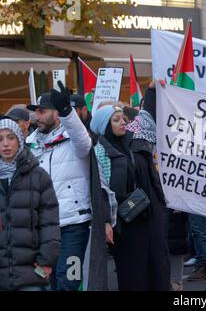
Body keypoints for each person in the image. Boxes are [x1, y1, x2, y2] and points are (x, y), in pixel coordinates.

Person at [90, 101, 171, 291]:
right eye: (116, 120)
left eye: (123, 119)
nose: (122, 123)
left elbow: (149, 117)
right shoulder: (99, 152)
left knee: (158, 267)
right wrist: (106, 221)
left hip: (150, 217)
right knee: (133, 273)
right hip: (125, 224)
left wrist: (152, 93)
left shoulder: (135, 141)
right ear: (104, 125)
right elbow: (100, 189)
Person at [26, 85, 93, 291]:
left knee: (68, 282)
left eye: (42, 111)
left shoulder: (75, 140)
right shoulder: (30, 145)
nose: (37, 116)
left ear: (56, 113)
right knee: (48, 281)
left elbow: (84, 141)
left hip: (73, 224)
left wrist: (68, 113)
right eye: (35, 111)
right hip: (43, 227)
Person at [0, 119, 60, 291]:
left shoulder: (39, 176)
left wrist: (45, 262)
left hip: (32, 270)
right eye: (0, 139)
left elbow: (49, 223)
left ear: (19, 139)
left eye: (11, 137)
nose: (5, 144)